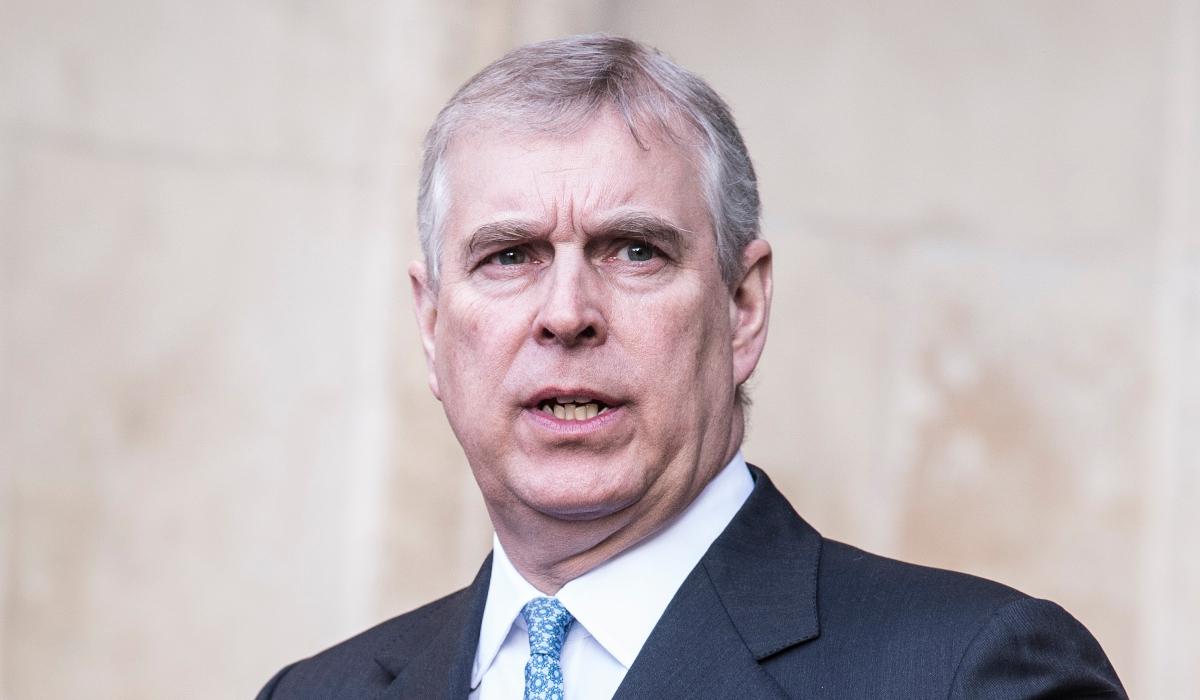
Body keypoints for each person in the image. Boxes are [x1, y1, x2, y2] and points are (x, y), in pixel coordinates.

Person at [257, 34, 1125, 699]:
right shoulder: (312, 694)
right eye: (510, 256)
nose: (566, 313)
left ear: (742, 306)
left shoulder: (969, 674)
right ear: (432, 322)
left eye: (634, 250)